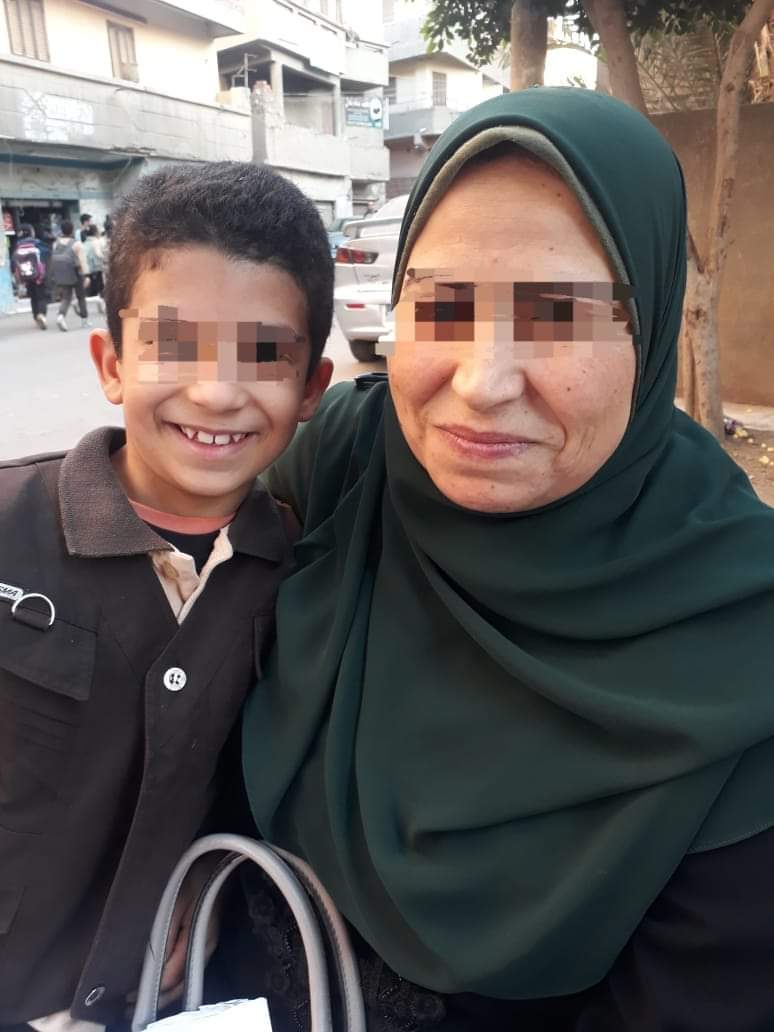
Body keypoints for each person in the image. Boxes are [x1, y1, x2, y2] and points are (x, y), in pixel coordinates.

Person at [239, 88, 774, 1031]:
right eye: (442, 305)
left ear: (649, 328)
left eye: (559, 314)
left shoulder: (741, 632)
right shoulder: (347, 462)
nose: (483, 383)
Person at [0, 160, 333, 1029]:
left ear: (312, 388)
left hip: (161, 1002)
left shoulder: (303, 577)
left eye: (264, 354)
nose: (216, 391)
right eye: (174, 345)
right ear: (112, 363)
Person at [50, 219, 91, 331]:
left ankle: (61, 316)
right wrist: (87, 275)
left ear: (61, 230)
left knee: (66, 297)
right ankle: (84, 320)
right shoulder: (76, 244)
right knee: (81, 297)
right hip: (76, 273)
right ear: (72, 230)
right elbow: (83, 261)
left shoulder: (55, 244)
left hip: (62, 274)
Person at [11, 223, 48, 329]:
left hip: (26, 277)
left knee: (33, 298)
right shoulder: (37, 243)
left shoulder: (17, 246)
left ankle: (36, 318)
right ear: (31, 232)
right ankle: (41, 314)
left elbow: (13, 264)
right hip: (38, 276)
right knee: (41, 297)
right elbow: (47, 253)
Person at [83, 222, 107, 314]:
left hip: (88, 268)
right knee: (100, 289)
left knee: (94, 289)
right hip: (96, 268)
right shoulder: (95, 242)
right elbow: (98, 254)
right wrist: (106, 258)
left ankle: (100, 307)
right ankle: (102, 307)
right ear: (95, 232)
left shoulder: (85, 243)